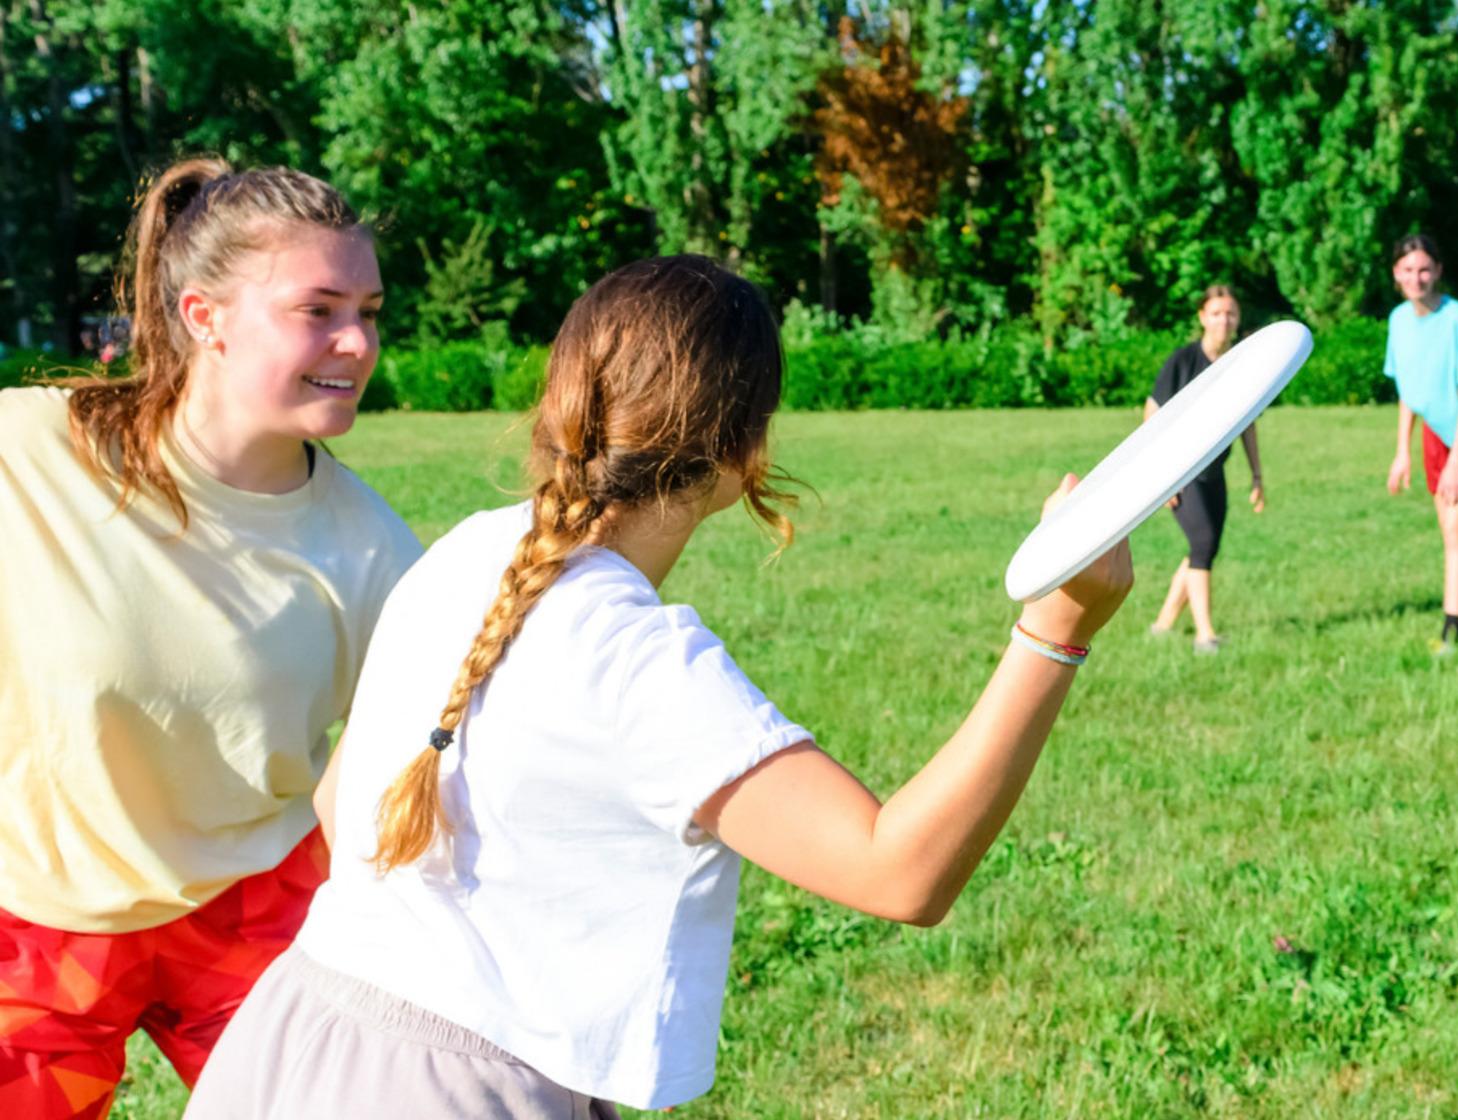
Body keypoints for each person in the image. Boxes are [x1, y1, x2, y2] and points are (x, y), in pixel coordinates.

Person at [185, 255, 1134, 1116]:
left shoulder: (467, 546)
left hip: (288, 1037)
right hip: (460, 1095)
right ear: (745, 452)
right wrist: (1055, 632)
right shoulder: (635, 658)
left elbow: (336, 799)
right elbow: (901, 872)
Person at [0, 158, 416, 1119]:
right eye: (318, 309)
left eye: (371, 309)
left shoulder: (377, 553)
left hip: (254, 905)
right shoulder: (29, 454)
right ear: (204, 316)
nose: (356, 342)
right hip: (38, 915)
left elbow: (419, 767)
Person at [1381, 234, 1458, 655]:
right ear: (1396, 274)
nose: (1417, 278)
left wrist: (1456, 461)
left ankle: (1450, 633)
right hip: (1436, 433)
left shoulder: (1457, 317)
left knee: (1456, 528)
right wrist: (1402, 452)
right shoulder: (1397, 321)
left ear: (1438, 272)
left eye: (1425, 269)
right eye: (1409, 270)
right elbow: (1408, 393)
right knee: (1453, 530)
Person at [1146, 285, 1265, 654]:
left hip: (1215, 473)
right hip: (1182, 474)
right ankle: (1205, 635)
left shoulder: (1241, 364)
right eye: (1215, 313)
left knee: (1204, 549)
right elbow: (1152, 414)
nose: (1223, 320)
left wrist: (1257, 474)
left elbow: (1248, 423)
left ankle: (1163, 624)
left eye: (1229, 313)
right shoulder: (1182, 361)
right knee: (1201, 545)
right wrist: (1163, 477)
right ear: (1202, 317)